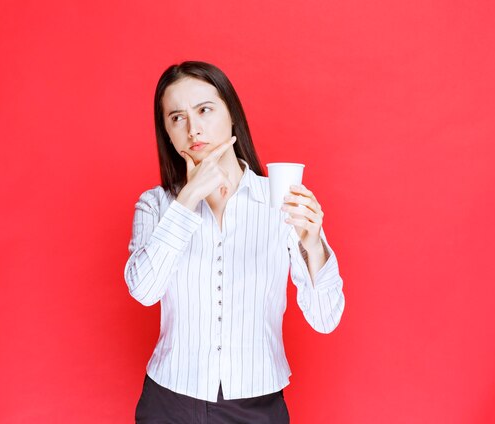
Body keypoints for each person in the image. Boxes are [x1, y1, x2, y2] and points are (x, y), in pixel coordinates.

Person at [124, 61, 345, 423]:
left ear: (231, 114)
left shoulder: (280, 199)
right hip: (169, 402)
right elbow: (144, 291)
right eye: (176, 117)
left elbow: (325, 319)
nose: (194, 128)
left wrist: (314, 243)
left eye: (204, 110)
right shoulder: (156, 204)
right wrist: (188, 199)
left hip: (257, 406)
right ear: (166, 131)